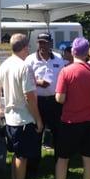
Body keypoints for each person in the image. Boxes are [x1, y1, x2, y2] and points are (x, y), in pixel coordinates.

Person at [0, 33, 43, 179]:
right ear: (26, 47)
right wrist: (39, 119)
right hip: (24, 119)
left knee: (16, 154)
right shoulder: (24, 67)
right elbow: (30, 97)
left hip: (10, 118)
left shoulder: (5, 64)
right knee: (22, 155)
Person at [53, 37, 90, 179]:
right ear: (87, 53)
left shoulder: (66, 71)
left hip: (70, 121)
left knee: (63, 159)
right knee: (89, 159)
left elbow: (60, 98)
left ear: (73, 51)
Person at [24, 32, 64, 167]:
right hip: (37, 101)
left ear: (51, 43)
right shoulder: (30, 60)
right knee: (36, 133)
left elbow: (63, 79)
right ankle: (33, 167)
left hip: (54, 101)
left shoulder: (58, 58)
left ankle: (60, 165)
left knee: (58, 134)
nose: (43, 45)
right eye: (40, 42)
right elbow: (24, 80)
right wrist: (38, 82)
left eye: (45, 43)